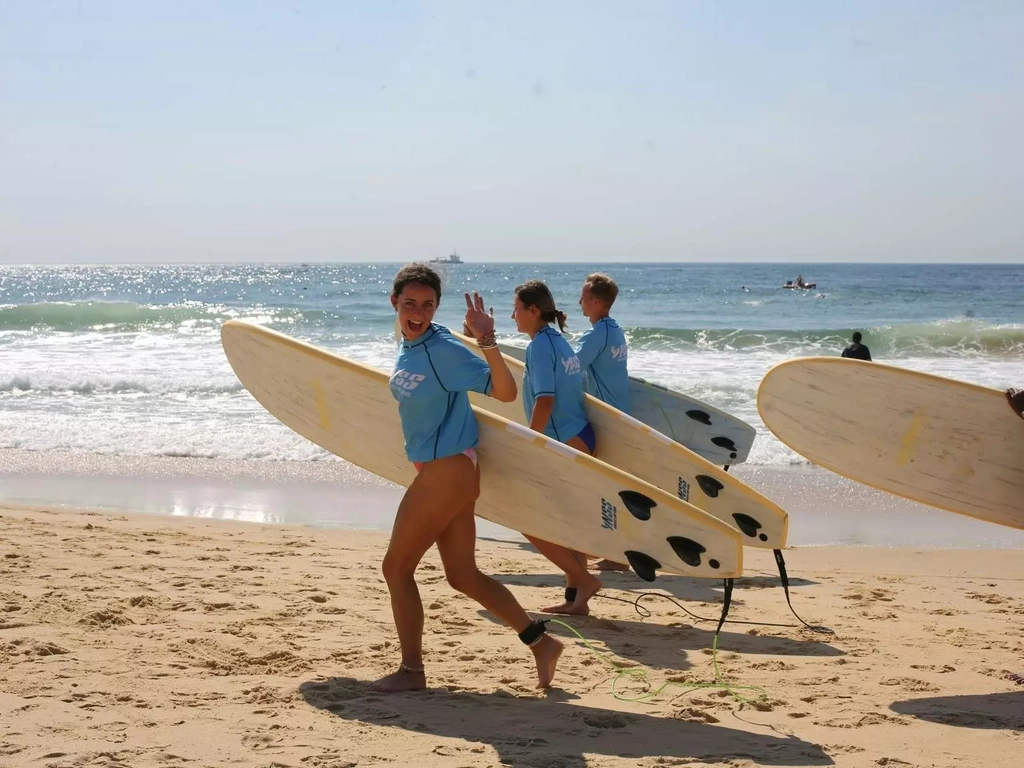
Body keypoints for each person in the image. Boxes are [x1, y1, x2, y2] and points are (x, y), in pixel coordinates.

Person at [374, 263, 563, 693]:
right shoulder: (409, 344)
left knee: (396, 568)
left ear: (437, 307)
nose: (418, 312)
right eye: (409, 304)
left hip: (448, 470)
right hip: (448, 469)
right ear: (394, 303)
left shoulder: (442, 348)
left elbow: (505, 391)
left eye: (427, 305)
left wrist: (487, 341)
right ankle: (541, 642)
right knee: (462, 575)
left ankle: (411, 672)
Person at [513, 279, 603, 615]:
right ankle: (575, 600)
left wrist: (530, 443)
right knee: (570, 524)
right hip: (581, 434)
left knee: (528, 517)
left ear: (533, 310)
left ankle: (584, 581)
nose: (513, 316)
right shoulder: (558, 340)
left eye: (517, 308)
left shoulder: (539, 346)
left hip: (564, 439)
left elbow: (545, 399)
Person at [575, 273, 632, 572]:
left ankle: (618, 555)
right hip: (621, 415)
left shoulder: (597, 334)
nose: (579, 302)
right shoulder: (615, 329)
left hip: (608, 419)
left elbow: (571, 366)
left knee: (606, 486)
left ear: (596, 302)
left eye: (583, 297)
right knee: (610, 485)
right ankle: (612, 551)